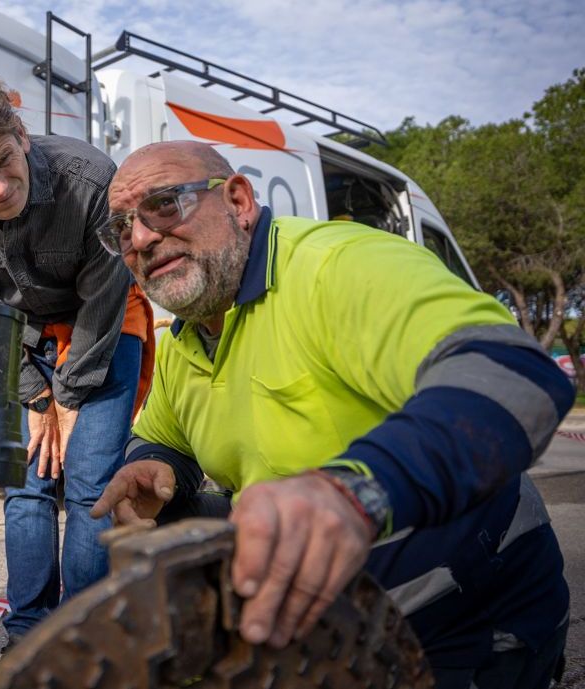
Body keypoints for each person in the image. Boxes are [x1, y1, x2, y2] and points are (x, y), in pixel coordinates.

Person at [90, 141, 573, 688]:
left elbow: (513, 373)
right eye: (122, 228)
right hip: (332, 633)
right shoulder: (185, 338)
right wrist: (158, 468)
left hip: (464, 624)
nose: (142, 238)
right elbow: (163, 437)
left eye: (164, 205)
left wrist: (353, 492)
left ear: (239, 201)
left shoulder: (338, 267)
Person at [0, 78, 155, 650]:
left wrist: (67, 396)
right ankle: (27, 636)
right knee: (26, 484)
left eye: (3, 161)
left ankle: (82, 638)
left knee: (92, 484)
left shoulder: (93, 180)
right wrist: (34, 396)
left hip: (103, 325)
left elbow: (104, 296)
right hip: (11, 339)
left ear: (20, 134)